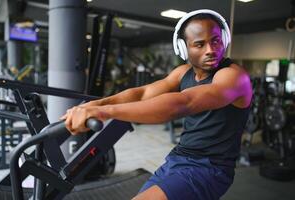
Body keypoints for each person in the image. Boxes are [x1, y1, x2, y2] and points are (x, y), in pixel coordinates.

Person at [61, 9, 252, 200]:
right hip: (177, 159)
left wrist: (105, 111)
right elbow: (142, 93)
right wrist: (94, 105)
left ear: (224, 40)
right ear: (183, 49)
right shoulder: (183, 72)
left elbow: (184, 102)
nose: (210, 50)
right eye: (200, 44)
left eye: (216, 41)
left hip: (209, 168)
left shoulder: (233, 76)